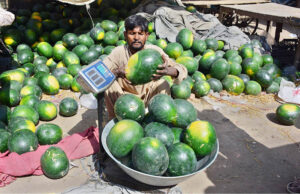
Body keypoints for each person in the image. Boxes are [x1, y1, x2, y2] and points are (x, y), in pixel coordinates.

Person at [103, 14, 188, 120]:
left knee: (163, 83)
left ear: (147, 35)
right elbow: (101, 73)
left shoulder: (155, 52)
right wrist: (117, 71)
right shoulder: (118, 52)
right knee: (108, 84)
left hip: (149, 99)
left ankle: (160, 118)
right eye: (132, 33)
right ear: (125, 35)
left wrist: (168, 71)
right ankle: (114, 119)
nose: (136, 38)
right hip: (123, 99)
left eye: (140, 34)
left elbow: (182, 69)